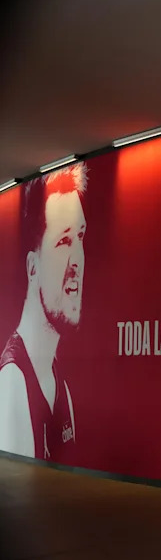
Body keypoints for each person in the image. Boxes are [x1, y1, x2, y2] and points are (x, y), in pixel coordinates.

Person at [0, 164, 86, 460]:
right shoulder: (13, 380)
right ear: (32, 267)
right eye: (63, 241)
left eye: (81, 238)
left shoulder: (59, 382)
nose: (76, 259)